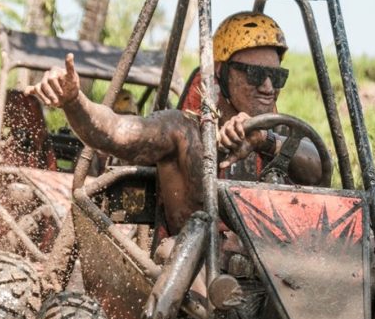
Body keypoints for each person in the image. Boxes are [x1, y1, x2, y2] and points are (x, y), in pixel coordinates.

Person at [25, 12, 325, 235]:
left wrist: (264, 141)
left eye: (278, 77)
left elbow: (322, 171)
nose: (269, 87)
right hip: (194, 270)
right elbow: (114, 132)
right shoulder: (182, 129)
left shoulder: (279, 134)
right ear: (221, 72)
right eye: (255, 74)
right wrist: (74, 100)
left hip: (271, 270)